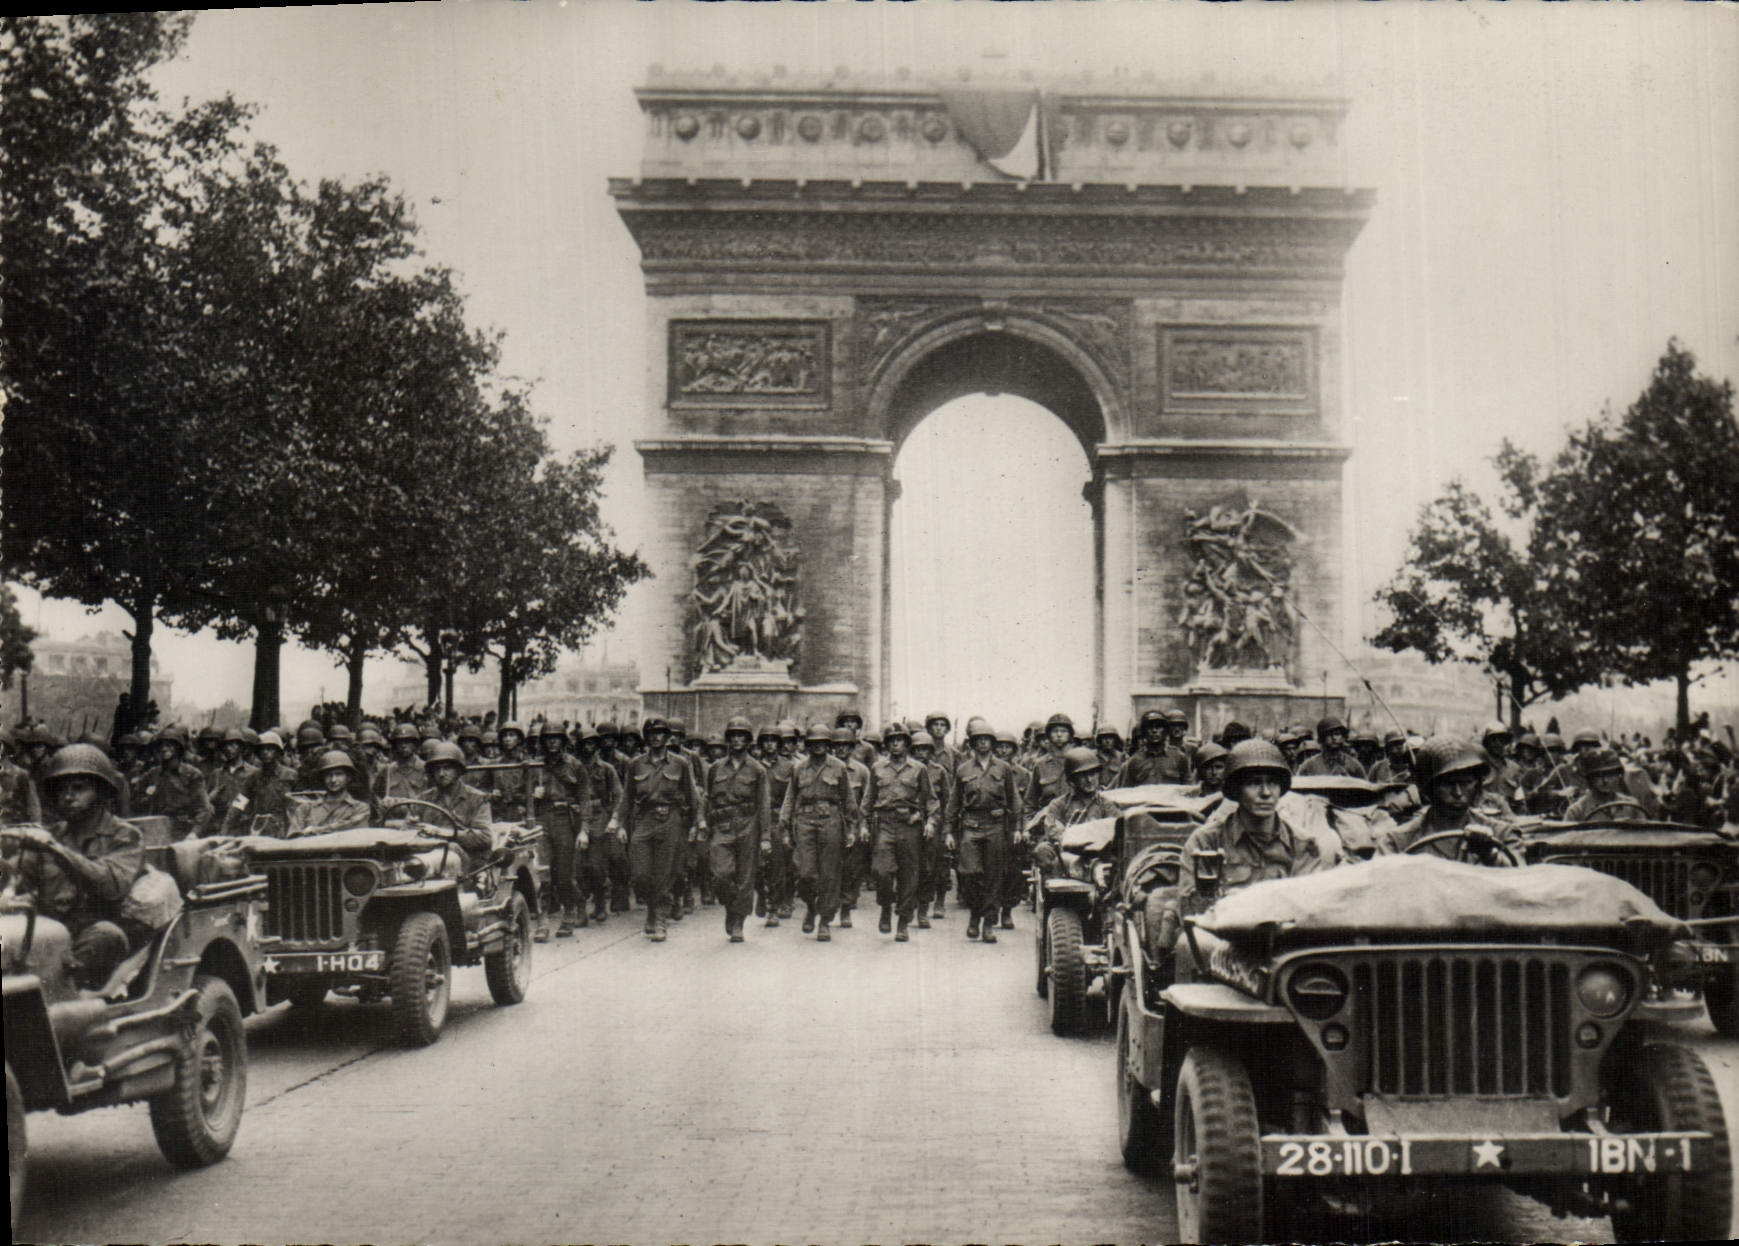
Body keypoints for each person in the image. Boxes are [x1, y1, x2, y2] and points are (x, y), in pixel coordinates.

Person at [2, 744, 147, 988]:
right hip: (48, 931)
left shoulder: (125, 836)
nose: (68, 796)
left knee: (106, 935)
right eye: (62, 790)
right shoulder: (54, 833)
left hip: (95, 934)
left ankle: (57, 995)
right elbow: (18, 876)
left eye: (78, 788)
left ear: (100, 792)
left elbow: (111, 885)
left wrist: (56, 850)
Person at [1168, 739, 1337, 926]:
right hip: (1222, 936)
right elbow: (1191, 912)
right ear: (1236, 789)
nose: (1265, 793)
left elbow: (1308, 911)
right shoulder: (1206, 842)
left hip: (1282, 942)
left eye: (1272, 783)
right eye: (1254, 783)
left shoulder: (1302, 844)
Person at [619, 717, 702, 943]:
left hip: (670, 818)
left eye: (661, 733)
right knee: (640, 874)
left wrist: (697, 823)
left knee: (664, 874)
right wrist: (618, 823)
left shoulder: (680, 763)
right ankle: (652, 910)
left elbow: (692, 795)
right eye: (652, 733)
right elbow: (626, 796)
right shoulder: (636, 764)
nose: (656, 737)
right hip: (643, 819)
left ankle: (659, 919)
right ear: (646, 738)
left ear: (667, 737)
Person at [1374, 737, 1521, 860]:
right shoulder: (1398, 841)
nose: (1458, 793)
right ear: (1428, 788)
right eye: (1447, 783)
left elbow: (1520, 879)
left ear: (1477, 785)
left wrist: (1490, 855)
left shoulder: (1501, 834)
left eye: (1466, 783)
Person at [779, 723, 858, 942]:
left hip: (831, 821)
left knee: (829, 874)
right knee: (805, 873)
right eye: (814, 743)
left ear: (828, 745)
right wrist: (784, 826)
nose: (818, 747)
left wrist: (852, 828)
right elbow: (790, 799)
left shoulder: (838, 767)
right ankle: (811, 906)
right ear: (808, 745)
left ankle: (824, 920)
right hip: (804, 821)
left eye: (823, 743)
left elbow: (848, 800)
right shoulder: (799, 768)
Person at [946, 716, 1021, 944]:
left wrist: (1016, 828)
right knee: (968, 874)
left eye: (987, 739)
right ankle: (974, 914)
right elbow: (953, 803)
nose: (983, 744)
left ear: (992, 742)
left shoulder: (1004, 768)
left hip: (996, 825)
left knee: (993, 877)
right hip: (971, 825)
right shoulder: (963, 770)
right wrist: (949, 832)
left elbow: (1015, 801)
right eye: (978, 740)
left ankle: (988, 923)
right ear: (972, 743)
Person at [864, 721, 938, 942]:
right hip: (884, 824)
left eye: (900, 741)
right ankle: (886, 906)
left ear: (907, 744)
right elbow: (868, 800)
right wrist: (862, 825)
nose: (896, 745)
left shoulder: (919, 769)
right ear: (886, 745)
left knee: (909, 876)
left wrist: (929, 821)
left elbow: (931, 801)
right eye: (892, 741)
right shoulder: (877, 768)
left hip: (910, 826)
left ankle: (903, 921)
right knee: (881, 871)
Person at [704, 717, 770, 943]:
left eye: (742, 736)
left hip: (747, 824)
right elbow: (708, 800)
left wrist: (765, 837)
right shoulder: (715, 768)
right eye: (733, 736)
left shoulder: (757, 770)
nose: (737, 740)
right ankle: (730, 908)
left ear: (748, 740)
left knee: (745, 877)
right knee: (721, 874)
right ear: (728, 740)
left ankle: (738, 921)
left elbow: (763, 804)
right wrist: (704, 825)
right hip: (722, 825)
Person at [531, 721, 586, 939]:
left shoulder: (574, 765)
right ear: (543, 741)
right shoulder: (535, 766)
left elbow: (584, 797)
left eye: (556, 737)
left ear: (563, 741)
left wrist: (584, 829)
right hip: (542, 819)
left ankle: (570, 912)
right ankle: (542, 921)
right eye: (548, 738)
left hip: (565, 820)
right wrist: (532, 796)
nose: (552, 741)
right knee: (542, 873)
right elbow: (519, 796)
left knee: (564, 875)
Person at [1030, 748, 1121, 875]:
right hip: (1067, 853)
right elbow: (1053, 832)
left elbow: (1117, 830)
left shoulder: (1106, 804)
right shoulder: (1059, 804)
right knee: (1042, 851)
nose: (1090, 780)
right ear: (1072, 781)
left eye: (1093, 774)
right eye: (1083, 776)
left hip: (1098, 852)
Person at [573, 726, 625, 924]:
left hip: (598, 817)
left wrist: (614, 818)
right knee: (576, 868)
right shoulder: (572, 767)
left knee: (596, 866)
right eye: (585, 743)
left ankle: (600, 903)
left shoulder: (606, 769)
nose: (589, 747)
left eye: (592, 743)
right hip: (574, 815)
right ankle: (580, 908)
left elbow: (619, 794)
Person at [417, 741, 495, 860]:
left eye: (447, 768)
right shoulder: (424, 799)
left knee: (451, 848)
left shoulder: (477, 798)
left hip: (470, 861)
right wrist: (411, 825)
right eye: (437, 770)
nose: (441, 774)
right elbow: (409, 831)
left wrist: (445, 833)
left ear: (458, 770)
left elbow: (484, 837)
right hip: (429, 858)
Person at [135, 725, 215, 839]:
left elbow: (204, 809)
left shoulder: (192, 775)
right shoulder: (152, 774)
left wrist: (194, 833)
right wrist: (148, 797)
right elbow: (135, 801)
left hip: (183, 830)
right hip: (155, 829)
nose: (164, 749)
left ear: (178, 748)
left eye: (169, 745)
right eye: (161, 745)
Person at [910, 726, 952, 928]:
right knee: (908, 867)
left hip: (932, 824)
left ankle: (924, 909)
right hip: (908, 824)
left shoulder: (938, 771)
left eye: (925, 749)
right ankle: (909, 905)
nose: (921, 753)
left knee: (929, 868)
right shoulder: (907, 769)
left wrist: (944, 829)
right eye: (917, 749)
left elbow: (946, 801)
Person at [223, 730, 301, 837]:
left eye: (270, 749)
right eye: (262, 749)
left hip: (285, 828)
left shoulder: (291, 776)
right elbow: (238, 804)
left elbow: (300, 806)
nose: (265, 753)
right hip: (260, 829)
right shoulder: (253, 777)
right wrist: (224, 830)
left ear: (277, 751)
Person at [286, 751, 374, 837]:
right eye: (328, 775)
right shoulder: (306, 809)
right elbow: (293, 838)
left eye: (339, 774)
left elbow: (353, 829)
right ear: (322, 778)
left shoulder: (359, 808)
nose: (333, 780)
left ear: (349, 777)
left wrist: (317, 830)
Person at [1564, 748, 1648, 822]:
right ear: (1591, 778)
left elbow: (1643, 836)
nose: (1605, 780)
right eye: (1599, 775)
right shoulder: (1577, 811)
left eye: (1610, 774)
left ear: (1618, 776)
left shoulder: (1631, 806)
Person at [1114, 710, 1191, 787]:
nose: (1154, 731)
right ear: (1144, 732)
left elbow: (1188, 789)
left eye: (1158, 727)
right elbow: (1127, 792)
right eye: (1150, 727)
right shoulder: (1134, 761)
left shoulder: (1179, 758)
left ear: (1165, 731)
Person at [1025, 713, 1075, 814]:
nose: (1059, 735)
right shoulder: (1040, 765)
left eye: (1064, 731)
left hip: (1077, 821)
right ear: (1049, 735)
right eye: (1055, 731)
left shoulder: (1079, 760)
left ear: (1070, 735)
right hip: (1048, 821)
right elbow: (1030, 802)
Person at [1299, 716, 1367, 778]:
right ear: (1322, 738)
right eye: (1329, 734)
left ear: (1343, 737)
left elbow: (1365, 788)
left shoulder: (1354, 765)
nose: (1334, 738)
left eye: (1337, 734)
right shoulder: (1309, 766)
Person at [0, 729, 43, 826]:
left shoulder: (20, 775)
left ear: (6, 749)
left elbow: (34, 808)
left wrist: (35, 828)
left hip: (13, 830)